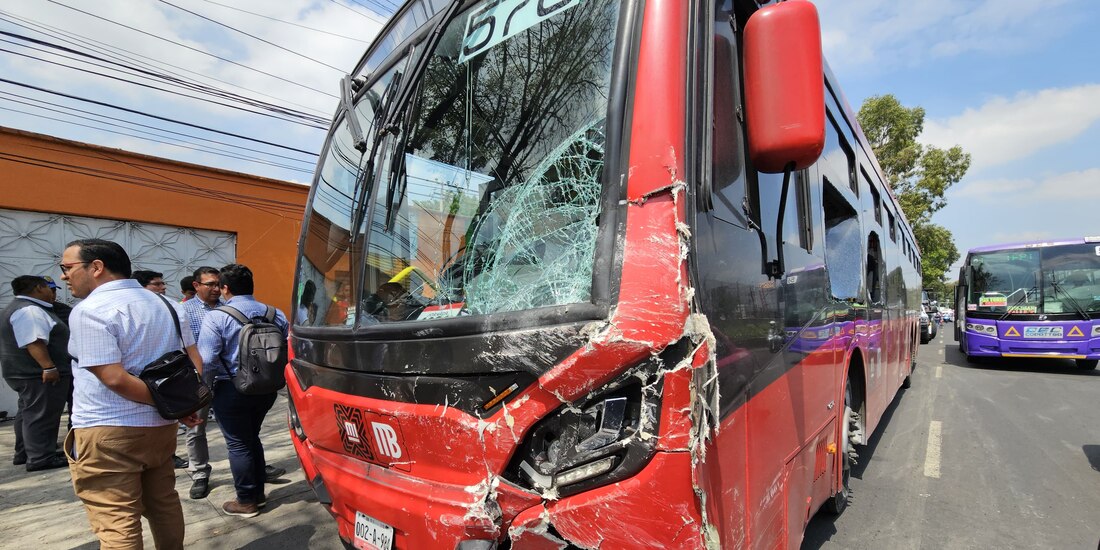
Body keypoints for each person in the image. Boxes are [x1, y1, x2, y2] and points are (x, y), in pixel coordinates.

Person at [60, 239, 203, 549]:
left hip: (108, 428)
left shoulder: (90, 310)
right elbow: (194, 359)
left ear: (96, 267)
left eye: (67, 267)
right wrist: (179, 405)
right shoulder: (167, 305)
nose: (63, 276)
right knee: (163, 503)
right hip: (160, 428)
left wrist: (171, 404)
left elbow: (114, 378)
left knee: (117, 521)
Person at [198, 264, 288, 518]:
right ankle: (257, 494)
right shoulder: (275, 314)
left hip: (232, 388)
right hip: (268, 388)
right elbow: (288, 347)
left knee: (238, 443)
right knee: (251, 437)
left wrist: (204, 389)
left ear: (225, 288)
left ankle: (246, 501)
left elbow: (207, 360)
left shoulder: (217, 317)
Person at [0, 275, 72, 471]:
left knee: (29, 413)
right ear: (39, 288)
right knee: (42, 415)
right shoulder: (30, 310)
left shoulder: (18, 307)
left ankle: (26, 452)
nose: (52, 292)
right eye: (49, 288)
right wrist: (48, 367)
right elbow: (34, 341)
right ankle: (41, 457)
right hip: (37, 374)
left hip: (25, 373)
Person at [133, 269, 189, 469]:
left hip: (169, 374)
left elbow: (189, 346)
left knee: (167, 421)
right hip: (139, 380)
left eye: (162, 283)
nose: (163, 287)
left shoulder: (171, 307)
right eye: (156, 284)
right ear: (141, 287)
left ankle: (168, 455)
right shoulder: (131, 311)